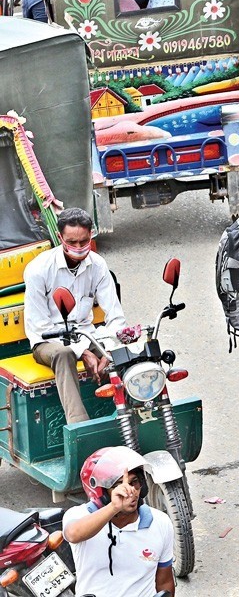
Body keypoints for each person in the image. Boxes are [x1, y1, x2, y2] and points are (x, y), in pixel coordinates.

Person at [24, 208, 126, 424]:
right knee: (64, 354)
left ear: (91, 236)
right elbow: (41, 328)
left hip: (86, 335)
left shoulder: (98, 265)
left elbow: (116, 317)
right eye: (72, 242)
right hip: (48, 342)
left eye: (84, 242)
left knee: (130, 349)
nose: (79, 248)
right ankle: (79, 425)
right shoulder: (39, 269)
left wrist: (106, 351)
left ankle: (130, 417)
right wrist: (82, 352)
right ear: (60, 237)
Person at [62, 447, 176, 597]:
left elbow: (164, 582)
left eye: (134, 482)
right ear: (101, 493)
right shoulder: (78, 515)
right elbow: (73, 534)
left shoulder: (160, 522)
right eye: (118, 485)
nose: (130, 491)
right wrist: (114, 507)